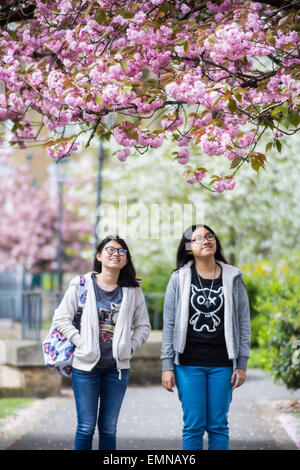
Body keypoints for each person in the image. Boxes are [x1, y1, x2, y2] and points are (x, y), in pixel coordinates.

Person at [52, 235, 151, 450]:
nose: (116, 254)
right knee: (86, 427)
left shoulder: (133, 290)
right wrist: (81, 342)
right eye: (110, 250)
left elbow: (143, 326)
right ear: (99, 256)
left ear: (126, 260)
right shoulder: (81, 284)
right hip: (86, 367)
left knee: (108, 428)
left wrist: (130, 347)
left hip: (117, 370)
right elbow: (61, 318)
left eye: (121, 251)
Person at [161, 224, 251, 450]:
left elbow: (243, 322)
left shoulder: (233, 277)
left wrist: (242, 363)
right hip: (188, 363)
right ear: (188, 248)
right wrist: (166, 365)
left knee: (219, 425)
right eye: (198, 238)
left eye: (210, 236)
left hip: (223, 363)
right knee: (193, 426)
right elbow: (169, 323)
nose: (206, 240)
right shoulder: (179, 278)